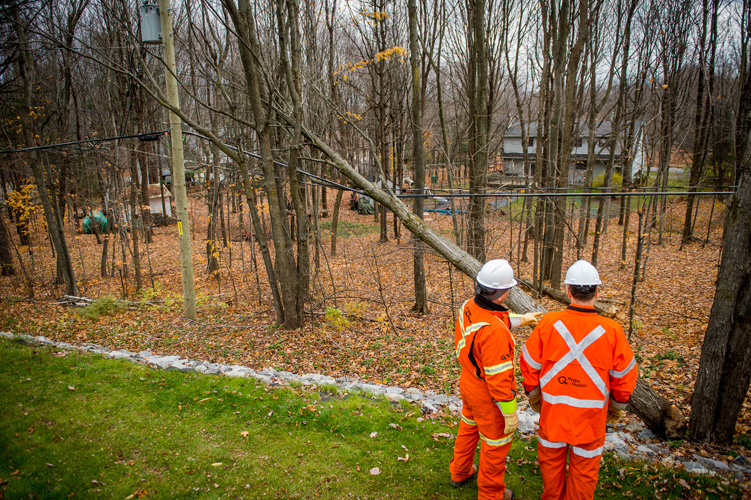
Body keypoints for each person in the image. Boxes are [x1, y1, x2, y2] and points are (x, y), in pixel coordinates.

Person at [520, 260, 638, 500]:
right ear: (597, 292)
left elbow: (528, 363)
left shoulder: (549, 323)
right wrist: (616, 407)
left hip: (553, 416)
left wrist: (533, 395)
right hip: (591, 421)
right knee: (584, 475)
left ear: (567, 290)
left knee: (551, 469)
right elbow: (625, 376)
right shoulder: (612, 330)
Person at [450, 259, 543, 500]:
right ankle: (491, 494)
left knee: (468, 428)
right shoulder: (494, 333)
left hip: (468, 382)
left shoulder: (469, 306)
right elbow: (499, 379)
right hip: (487, 396)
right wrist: (510, 412)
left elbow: (491, 319)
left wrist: (522, 319)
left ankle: (459, 471)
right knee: (495, 444)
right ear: (502, 294)